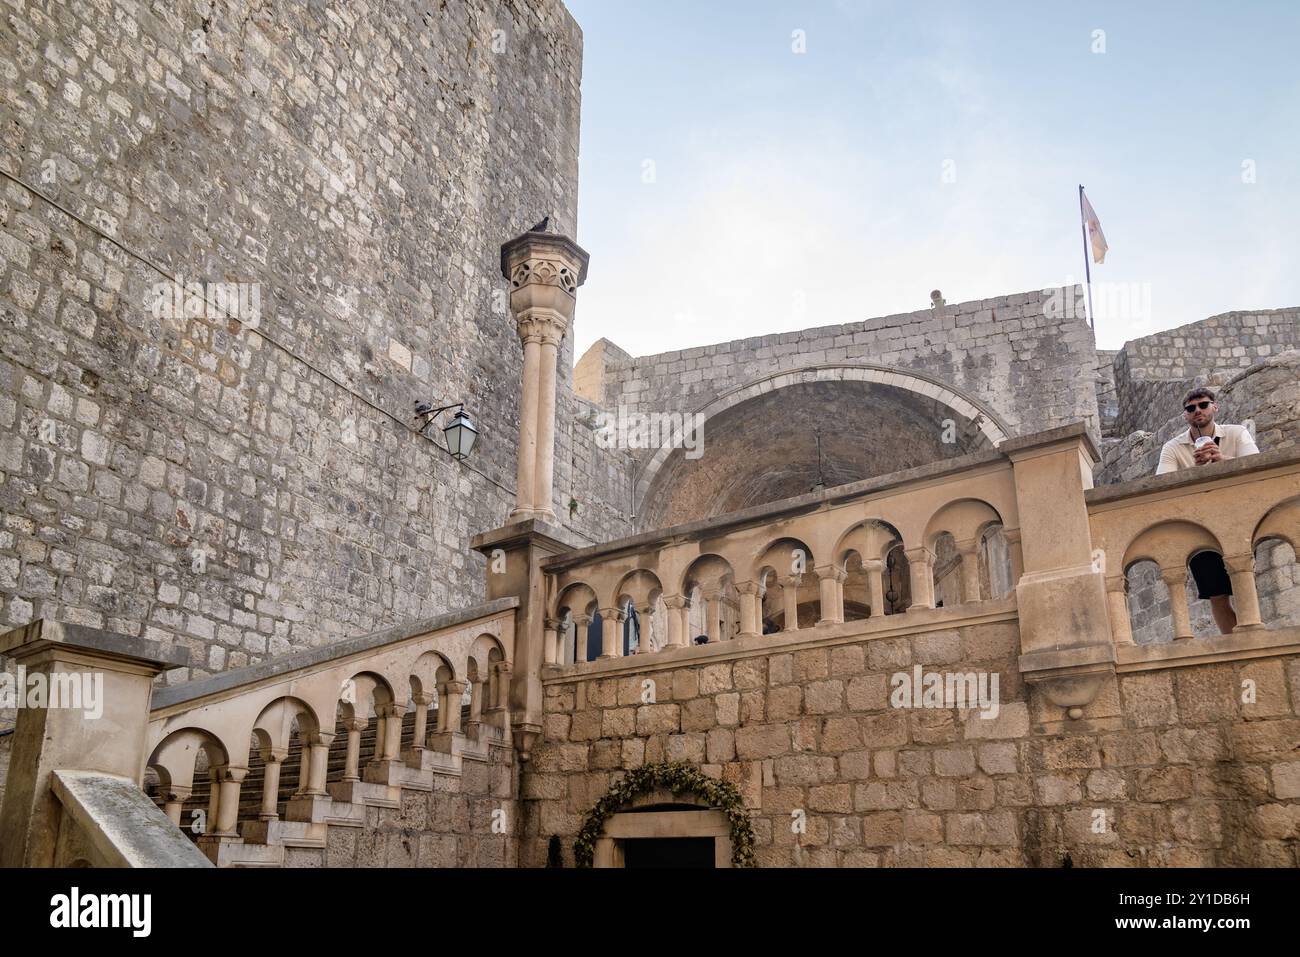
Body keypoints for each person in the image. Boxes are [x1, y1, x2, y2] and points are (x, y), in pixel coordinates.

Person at [1155, 387, 1260, 634]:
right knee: (1216, 594)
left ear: (1215, 407)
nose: (1197, 411)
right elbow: (1161, 486)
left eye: (1203, 405)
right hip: (1199, 524)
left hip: (1238, 519)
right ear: (1185, 415)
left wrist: (1221, 460)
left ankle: (1253, 640)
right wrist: (1194, 468)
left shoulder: (1236, 433)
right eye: (1191, 408)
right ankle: (1238, 645)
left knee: (1244, 582)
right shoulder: (1173, 447)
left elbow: (1256, 467)